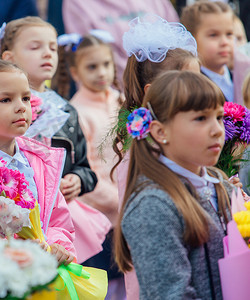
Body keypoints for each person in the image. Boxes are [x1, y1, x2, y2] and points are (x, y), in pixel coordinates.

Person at [115, 70, 234, 299]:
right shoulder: (152, 206)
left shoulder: (222, 186)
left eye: (219, 117)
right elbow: (171, 293)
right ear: (161, 132)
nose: (217, 130)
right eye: (201, 118)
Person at [111, 14, 200, 300]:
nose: (200, 90)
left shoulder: (184, 142)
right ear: (152, 94)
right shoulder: (138, 154)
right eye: (188, 81)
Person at [0, 59, 76, 264]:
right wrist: (15, 250)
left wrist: (55, 245)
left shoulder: (39, 160)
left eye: (25, 98)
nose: (21, 107)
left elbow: (58, 221)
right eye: (6, 100)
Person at [0, 16, 98, 204]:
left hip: (60, 211)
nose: (47, 54)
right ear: (9, 58)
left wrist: (78, 179)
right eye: (35, 47)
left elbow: (84, 167)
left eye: (53, 48)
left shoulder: (66, 111)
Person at [56, 31, 124, 298]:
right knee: (109, 284)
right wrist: (121, 199)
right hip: (102, 217)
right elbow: (86, 167)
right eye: (91, 67)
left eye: (106, 64)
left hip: (128, 209)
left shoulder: (121, 102)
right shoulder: (77, 112)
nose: (101, 72)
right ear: (75, 72)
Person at [62, 0, 179, 85]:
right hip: (112, 91)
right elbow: (85, 55)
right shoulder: (77, 3)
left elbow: (176, 41)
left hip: (163, 87)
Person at [181, 0, 235, 102]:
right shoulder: (192, 86)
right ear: (191, 40)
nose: (225, 42)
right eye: (213, 35)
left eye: (229, 34)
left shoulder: (239, 75)